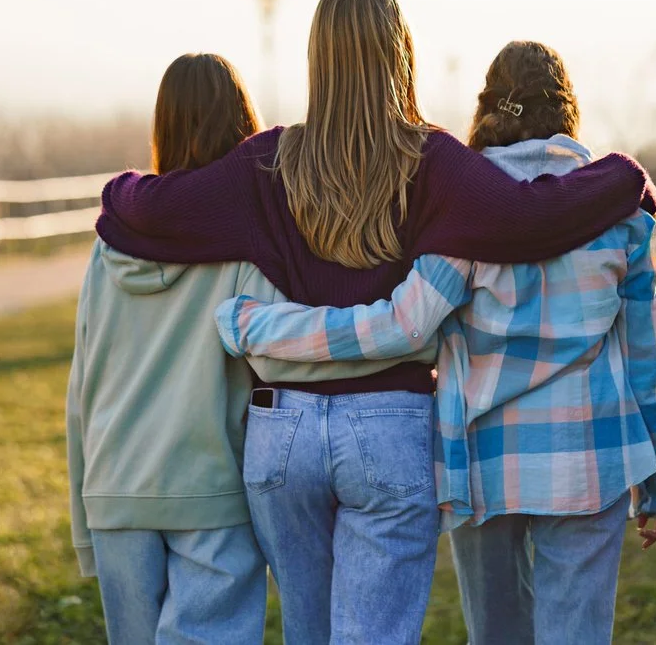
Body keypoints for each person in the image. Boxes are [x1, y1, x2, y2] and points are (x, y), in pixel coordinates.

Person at [95, 0, 656, 644]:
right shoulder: (432, 160)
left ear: (315, 59)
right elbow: (531, 217)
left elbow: (151, 208)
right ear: (402, 53)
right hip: (389, 426)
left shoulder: (267, 161)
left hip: (283, 431)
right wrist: (623, 174)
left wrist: (118, 188)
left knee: (309, 631)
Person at [216, 40, 656, 645]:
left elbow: (400, 326)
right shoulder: (624, 216)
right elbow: (647, 360)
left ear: (486, 107)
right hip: (590, 458)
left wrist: (259, 327)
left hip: (481, 462)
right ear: (569, 111)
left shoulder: (464, 213)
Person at [66, 53, 430, 645]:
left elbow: (81, 389)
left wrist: (86, 523)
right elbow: (285, 358)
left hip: (114, 497)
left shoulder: (106, 251)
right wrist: (400, 344)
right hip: (211, 496)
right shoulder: (240, 250)